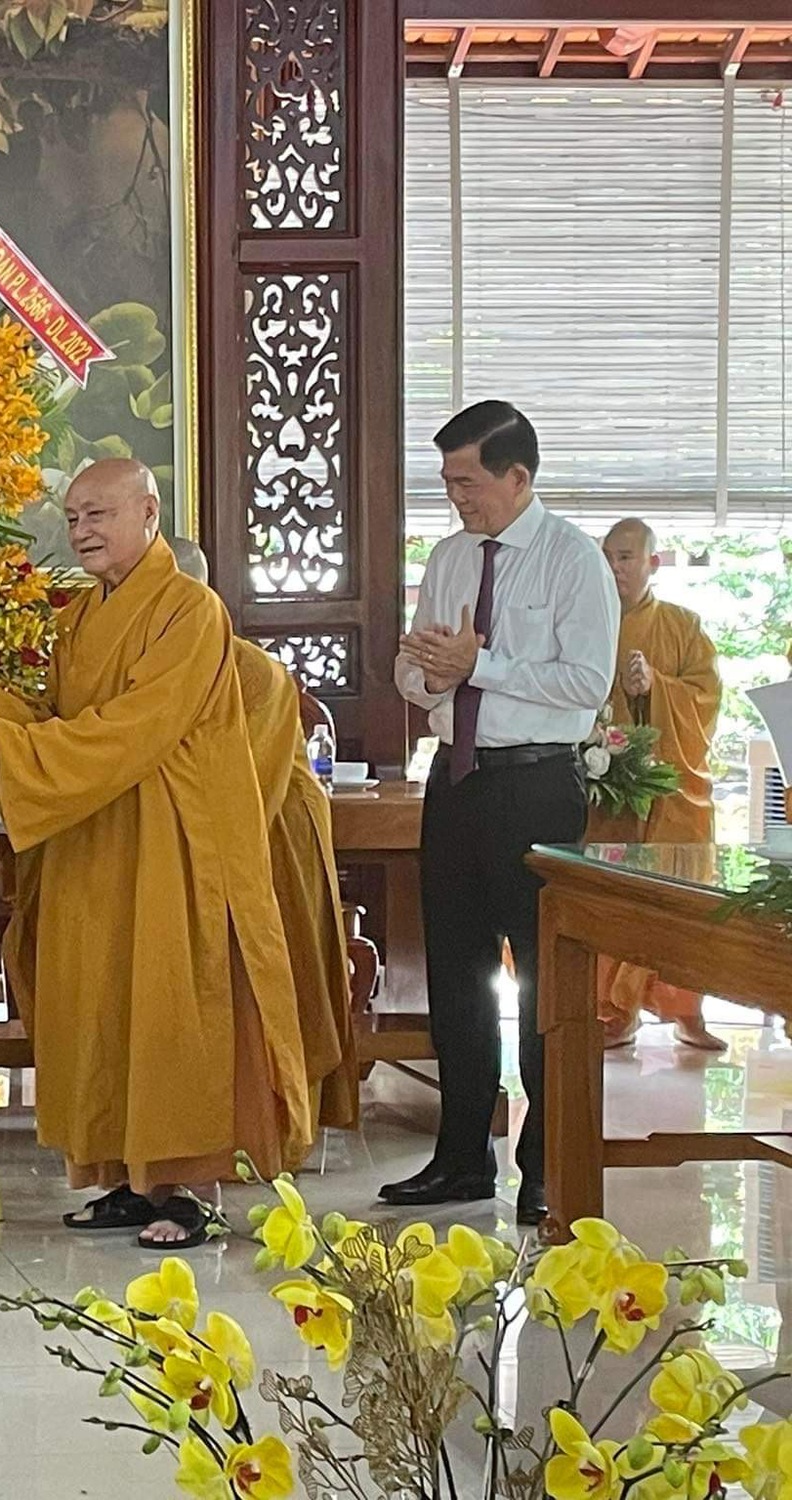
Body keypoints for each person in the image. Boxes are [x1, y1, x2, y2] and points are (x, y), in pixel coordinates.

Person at [0, 460, 312, 1251]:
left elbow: (138, 726)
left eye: (99, 515)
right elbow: (65, 717)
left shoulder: (189, 609)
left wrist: (12, 747)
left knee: (175, 1004)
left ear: (149, 511)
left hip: (171, 837)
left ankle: (189, 1191)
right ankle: (128, 1181)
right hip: (95, 830)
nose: (82, 533)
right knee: (102, 1002)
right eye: (73, 519)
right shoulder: (78, 615)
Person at [387, 401, 618, 1227]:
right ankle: (459, 1158)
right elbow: (413, 673)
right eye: (448, 482)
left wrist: (480, 663)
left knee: (539, 980)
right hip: (455, 784)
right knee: (456, 977)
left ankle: (547, 1166)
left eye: (470, 481)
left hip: (534, 788)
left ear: (520, 478)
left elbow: (586, 683)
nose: (457, 497)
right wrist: (435, 677)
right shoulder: (449, 558)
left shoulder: (572, 561)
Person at [170, 538, 360, 1133]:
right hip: (192, 843)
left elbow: (241, 779)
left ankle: (273, 1118)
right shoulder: (147, 666)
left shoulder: (252, 671)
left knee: (274, 987)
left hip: (271, 840)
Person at [591, 518, 724, 1052]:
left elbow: (708, 698)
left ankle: (685, 1009)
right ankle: (612, 1010)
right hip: (608, 788)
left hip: (673, 793)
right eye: (608, 556)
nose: (615, 567)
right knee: (611, 895)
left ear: (654, 563)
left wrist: (657, 689)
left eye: (626, 557)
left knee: (681, 896)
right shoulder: (586, 622)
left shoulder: (682, 625)